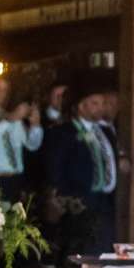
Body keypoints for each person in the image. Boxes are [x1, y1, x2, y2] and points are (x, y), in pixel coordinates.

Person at [45, 86, 121, 254]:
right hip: (79, 200)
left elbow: (110, 157)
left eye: (102, 103)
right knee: (83, 250)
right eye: (95, 103)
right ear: (81, 107)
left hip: (105, 200)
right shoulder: (65, 132)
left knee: (105, 246)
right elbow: (55, 166)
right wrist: (62, 196)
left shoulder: (106, 131)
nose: (100, 108)